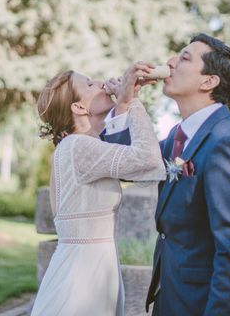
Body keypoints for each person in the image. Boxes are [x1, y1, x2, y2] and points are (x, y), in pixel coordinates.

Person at [103, 33, 230, 316]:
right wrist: (124, 103)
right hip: (170, 296)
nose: (171, 62)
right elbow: (123, 164)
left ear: (208, 81)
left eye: (184, 57)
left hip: (200, 303)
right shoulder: (179, 135)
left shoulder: (226, 142)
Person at [30, 63, 166, 316]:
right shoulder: (77, 147)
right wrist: (133, 102)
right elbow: (148, 160)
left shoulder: (85, 146)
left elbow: (142, 173)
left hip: (93, 270)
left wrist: (123, 104)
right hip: (80, 281)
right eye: (90, 83)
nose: (102, 82)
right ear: (79, 107)